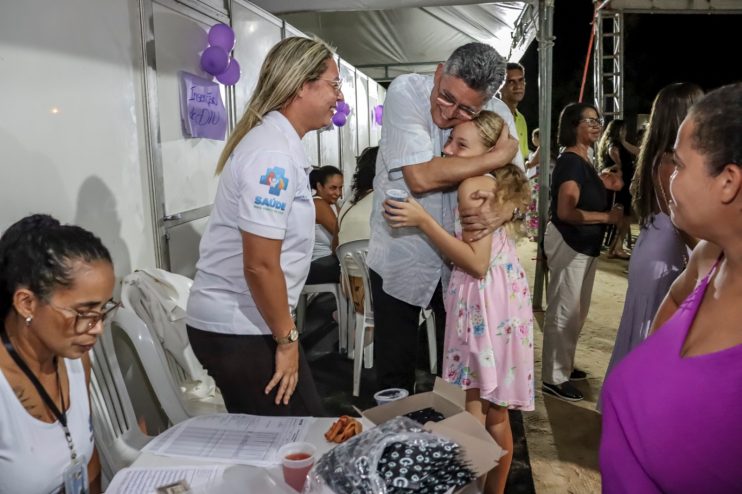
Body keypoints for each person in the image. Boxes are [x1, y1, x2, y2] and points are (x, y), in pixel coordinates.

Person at [186, 36, 342, 416]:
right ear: (302, 85)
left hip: (250, 323)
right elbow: (260, 263)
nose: (339, 98)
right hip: (240, 326)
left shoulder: (279, 145)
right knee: (302, 435)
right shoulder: (271, 153)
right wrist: (288, 340)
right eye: (333, 85)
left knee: (280, 442)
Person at [600, 82, 742, 492]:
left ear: (728, 181)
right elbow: (676, 297)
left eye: (679, 165)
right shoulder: (706, 260)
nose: (669, 177)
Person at [385, 111, 533, 494]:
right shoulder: (489, 182)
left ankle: (471, 488)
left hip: (484, 302)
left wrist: (423, 221)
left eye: (460, 144)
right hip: (501, 300)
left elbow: (475, 262)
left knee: (474, 412)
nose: (448, 148)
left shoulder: (473, 183)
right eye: (450, 140)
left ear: (490, 153)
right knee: (495, 411)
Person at [367, 42, 521, 394]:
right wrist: (496, 157)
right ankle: (392, 440)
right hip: (399, 258)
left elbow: (516, 192)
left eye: (467, 109)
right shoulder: (407, 90)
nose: (449, 111)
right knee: (395, 369)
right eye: (445, 95)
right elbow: (420, 178)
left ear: (486, 103)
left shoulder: (498, 115)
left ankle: (450, 442)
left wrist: (506, 209)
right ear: (438, 72)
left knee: (460, 372)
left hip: (462, 268)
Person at [0, 214, 117, 494]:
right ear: (26, 303)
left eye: (103, 310)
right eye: (84, 313)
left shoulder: (76, 360)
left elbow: (88, 463)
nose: (97, 327)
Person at [603, 83, 703, 379]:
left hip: (657, 246)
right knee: (651, 331)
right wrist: (709, 256)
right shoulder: (669, 160)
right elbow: (680, 219)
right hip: (664, 251)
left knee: (647, 330)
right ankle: (636, 405)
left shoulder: (662, 154)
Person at [541, 103, 623, 402]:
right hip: (570, 242)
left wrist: (603, 181)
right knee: (564, 310)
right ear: (573, 125)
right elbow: (566, 211)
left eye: (598, 120)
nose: (597, 124)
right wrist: (606, 218)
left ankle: (564, 365)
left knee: (577, 310)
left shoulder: (584, 159)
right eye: (589, 120)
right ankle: (553, 377)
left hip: (584, 245)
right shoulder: (572, 162)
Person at [337, 146, 378, 314]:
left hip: (349, 288)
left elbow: (335, 246)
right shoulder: (386, 202)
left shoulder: (347, 203)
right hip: (378, 294)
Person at [597, 119, 639, 259]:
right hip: (621, 184)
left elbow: (638, 151)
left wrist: (624, 142)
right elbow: (618, 163)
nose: (625, 132)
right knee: (623, 216)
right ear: (618, 130)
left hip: (623, 183)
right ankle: (616, 247)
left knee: (625, 215)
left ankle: (616, 246)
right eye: (623, 129)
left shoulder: (618, 144)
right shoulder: (614, 145)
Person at [306, 165, 344, 285]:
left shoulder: (332, 204)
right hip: (318, 263)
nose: (338, 193)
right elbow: (342, 232)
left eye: (340, 188)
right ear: (319, 186)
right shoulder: (318, 203)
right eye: (333, 188)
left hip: (329, 260)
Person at [499, 62, 529, 161]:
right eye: (511, 82)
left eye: (521, 80)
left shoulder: (521, 119)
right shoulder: (491, 115)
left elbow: (524, 158)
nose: (518, 86)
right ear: (499, 86)